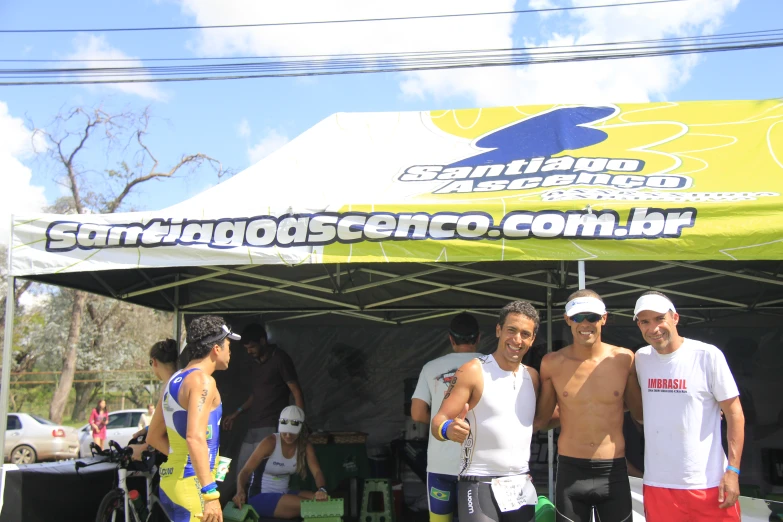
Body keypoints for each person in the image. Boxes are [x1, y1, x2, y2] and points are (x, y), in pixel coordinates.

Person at [632, 291, 745, 522]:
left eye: (659, 318)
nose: (653, 328)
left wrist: (732, 471)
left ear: (675, 318)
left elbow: (735, 414)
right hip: (658, 484)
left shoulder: (707, 355)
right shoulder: (641, 358)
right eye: (645, 322)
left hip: (709, 483)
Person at [533, 289, 637, 522]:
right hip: (571, 472)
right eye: (578, 317)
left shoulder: (624, 359)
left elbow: (641, 412)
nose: (585, 323)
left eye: (592, 316)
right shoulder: (552, 363)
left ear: (604, 318)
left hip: (613, 472)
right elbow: (540, 420)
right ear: (568, 319)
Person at [431, 301, 540, 522]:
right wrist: (448, 429)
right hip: (479, 482)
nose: (517, 340)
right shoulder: (473, 370)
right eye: (511, 330)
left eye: (525, 334)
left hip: (519, 484)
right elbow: (438, 421)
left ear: (532, 339)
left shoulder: (532, 376)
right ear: (499, 330)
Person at [146, 316, 238, 522]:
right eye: (228, 345)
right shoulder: (203, 381)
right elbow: (194, 437)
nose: (230, 351)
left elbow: (152, 436)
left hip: (172, 483)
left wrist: (182, 458)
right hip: (192, 486)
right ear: (216, 348)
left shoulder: (174, 379)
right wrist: (211, 493)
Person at [411, 312, 481, 522]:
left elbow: (416, 413)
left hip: (440, 464)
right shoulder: (490, 366)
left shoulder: (431, 367)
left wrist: (443, 425)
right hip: (478, 466)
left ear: (450, 339)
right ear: (478, 337)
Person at [222, 323, 305, 496]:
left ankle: (262, 508)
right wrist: (236, 413)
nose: (249, 351)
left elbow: (296, 391)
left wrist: (300, 423)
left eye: (252, 347)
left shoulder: (280, 359)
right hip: (253, 425)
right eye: (246, 348)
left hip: (271, 425)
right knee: (242, 471)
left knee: (261, 476)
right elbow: (256, 395)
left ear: (263, 341)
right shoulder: (254, 364)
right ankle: (238, 506)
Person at [232, 406, 328, 519]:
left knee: (323, 502)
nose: (288, 436)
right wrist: (240, 491)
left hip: (285, 493)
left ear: (301, 429)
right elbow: (245, 471)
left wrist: (321, 489)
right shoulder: (270, 442)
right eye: (285, 432)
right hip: (260, 496)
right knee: (312, 506)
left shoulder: (305, 446)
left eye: (292, 432)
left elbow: (317, 472)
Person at [130, 338, 179, 461]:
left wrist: (142, 448)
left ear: (154, 362)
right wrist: (146, 429)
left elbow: (155, 435)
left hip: (179, 459)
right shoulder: (181, 380)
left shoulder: (168, 386)